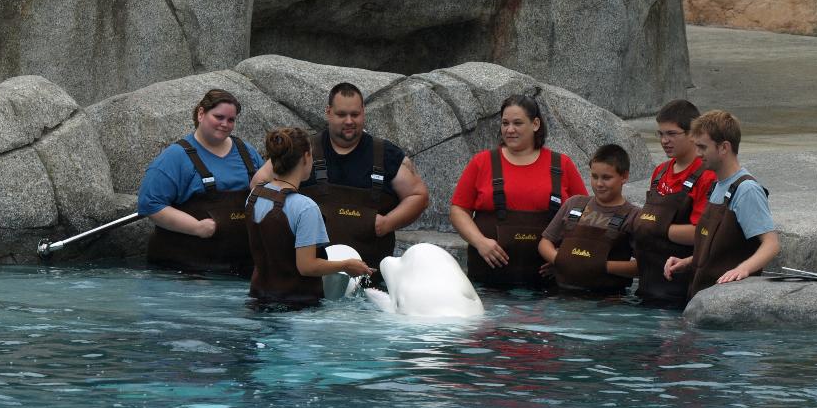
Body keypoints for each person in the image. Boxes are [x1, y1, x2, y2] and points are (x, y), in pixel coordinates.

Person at [250, 83, 429, 272]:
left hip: (370, 278)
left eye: (355, 114)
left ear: (363, 112)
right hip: (311, 277)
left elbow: (418, 195)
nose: (349, 121)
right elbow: (258, 184)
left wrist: (387, 223)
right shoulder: (303, 150)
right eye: (342, 114)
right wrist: (292, 219)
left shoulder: (386, 154)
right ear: (328, 112)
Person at [450, 94, 588, 287]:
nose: (509, 130)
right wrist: (480, 242)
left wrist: (563, 255)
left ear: (535, 124)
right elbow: (458, 210)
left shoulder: (561, 164)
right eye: (505, 123)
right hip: (488, 281)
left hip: (547, 284)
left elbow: (583, 212)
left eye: (517, 123)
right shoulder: (482, 162)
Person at [138, 89, 264, 275]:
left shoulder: (246, 151)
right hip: (187, 270)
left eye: (231, 120)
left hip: (241, 267)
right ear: (201, 114)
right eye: (219, 117)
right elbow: (150, 204)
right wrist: (196, 227)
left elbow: (269, 189)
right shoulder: (175, 157)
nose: (225, 124)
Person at [245, 128, 374, 308]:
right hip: (297, 307)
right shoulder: (305, 207)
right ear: (306, 157)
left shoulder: (253, 196)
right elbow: (307, 267)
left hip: (258, 299)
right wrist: (346, 265)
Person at [664, 110, 779, 300]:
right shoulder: (717, 186)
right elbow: (720, 248)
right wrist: (688, 262)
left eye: (702, 147)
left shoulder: (747, 190)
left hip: (730, 300)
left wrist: (743, 269)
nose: (697, 154)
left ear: (724, 147)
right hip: (702, 297)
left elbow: (771, 244)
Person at [633, 99, 717, 307]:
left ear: (693, 134)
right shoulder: (660, 172)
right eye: (660, 134)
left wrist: (654, 226)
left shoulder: (706, 176)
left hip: (681, 290)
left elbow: (702, 233)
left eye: (671, 134)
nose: (664, 141)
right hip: (647, 286)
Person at [538, 144, 641, 294]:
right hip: (562, 295)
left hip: (607, 299)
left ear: (624, 177)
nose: (599, 184)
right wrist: (560, 260)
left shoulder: (633, 216)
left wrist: (599, 266)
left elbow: (644, 266)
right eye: (594, 176)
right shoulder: (574, 203)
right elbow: (545, 242)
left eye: (606, 178)